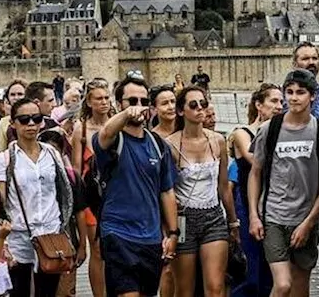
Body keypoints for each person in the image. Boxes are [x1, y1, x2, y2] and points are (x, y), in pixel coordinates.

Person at [249, 69, 319, 297]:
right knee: (283, 284)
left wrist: (309, 222)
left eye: (300, 92)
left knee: (299, 289)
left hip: (305, 218)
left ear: (313, 96)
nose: (294, 97)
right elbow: (255, 173)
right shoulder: (270, 129)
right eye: (289, 92)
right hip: (274, 217)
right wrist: (254, 215)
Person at [92, 74, 179, 297]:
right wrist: (124, 115)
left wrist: (172, 233)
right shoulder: (112, 141)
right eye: (132, 101)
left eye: (143, 101)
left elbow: (167, 191)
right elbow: (106, 132)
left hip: (150, 237)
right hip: (118, 233)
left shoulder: (158, 145)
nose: (138, 107)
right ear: (119, 104)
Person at [0, 98, 80, 297]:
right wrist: (2, 240)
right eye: (24, 119)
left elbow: (62, 192)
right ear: (13, 123)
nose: (31, 124)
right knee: (19, 290)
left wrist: (66, 227)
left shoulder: (52, 154)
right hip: (19, 237)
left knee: (48, 291)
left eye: (36, 118)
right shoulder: (3, 159)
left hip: (51, 233)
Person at [168, 85, 237, 297]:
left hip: (213, 216)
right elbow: (166, 190)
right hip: (183, 220)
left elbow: (224, 186)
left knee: (216, 287)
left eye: (203, 104)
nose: (200, 109)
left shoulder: (217, 140)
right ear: (181, 111)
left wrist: (233, 222)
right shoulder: (169, 145)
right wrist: (169, 229)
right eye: (193, 105)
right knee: (185, 290)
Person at [229, 83, 283, 297]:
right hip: (248, 203)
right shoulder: (242, 133)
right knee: (253, 269)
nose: (279, 106)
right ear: (259, 105)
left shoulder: (282, 133)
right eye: (273, 101)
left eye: (281, 101)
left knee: (272, 269)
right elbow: (256, 160)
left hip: (274, 204)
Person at [72, 78, 113, 297]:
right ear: (89, 101)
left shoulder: (117, 124)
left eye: (107, 98)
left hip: (115, 195)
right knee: (96, 250)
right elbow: (77, 169)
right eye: (99, 98)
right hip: (91, 197)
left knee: (114, 249)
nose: (104, 102)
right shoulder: (82, 129)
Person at [291, 43, 319, 121]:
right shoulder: (285, 95)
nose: (311, 62)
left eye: (314, 58)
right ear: (295, 64)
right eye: (305, 59)